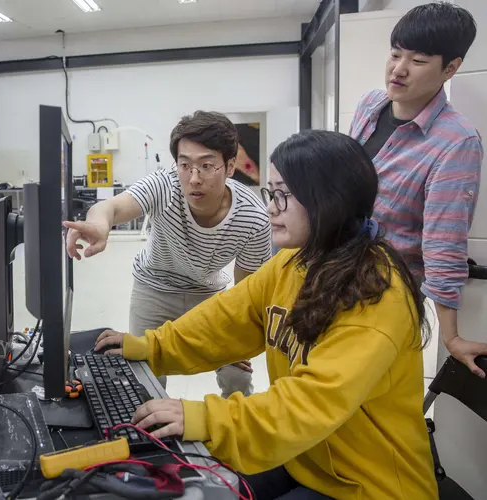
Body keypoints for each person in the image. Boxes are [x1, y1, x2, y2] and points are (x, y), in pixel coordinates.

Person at [94, 130, 437, 499]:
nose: (271, 207)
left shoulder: (375, 295)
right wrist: (149, 346)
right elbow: (225, 318)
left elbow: (309, 403)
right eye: (270, 192)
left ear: (329, 201)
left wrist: (203, 417)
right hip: (305, 456)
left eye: (284, 195)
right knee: (191, 487)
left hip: (367, 482)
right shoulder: (294, 262)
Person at [65, 111, 272, 396]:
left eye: (207, 165)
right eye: (185, 165)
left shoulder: (253, 219)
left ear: (230, 166)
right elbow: (110, 207)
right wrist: (98, 224)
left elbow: (248, 291)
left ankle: (237, 431)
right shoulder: (165, 185)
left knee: (237, 372)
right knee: (144, 374)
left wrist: (238, 341)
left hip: (207, 294)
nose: (194, 178)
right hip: (154, 287)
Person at [349, 2, 487, 377]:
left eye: (419, 61)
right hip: (332, 275)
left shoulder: (457, 141)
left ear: (451, 68)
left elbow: (444, 241)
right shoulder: (370, 105)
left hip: (383, 296)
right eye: (395, 54)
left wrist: (452, 337)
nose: (399, 69)